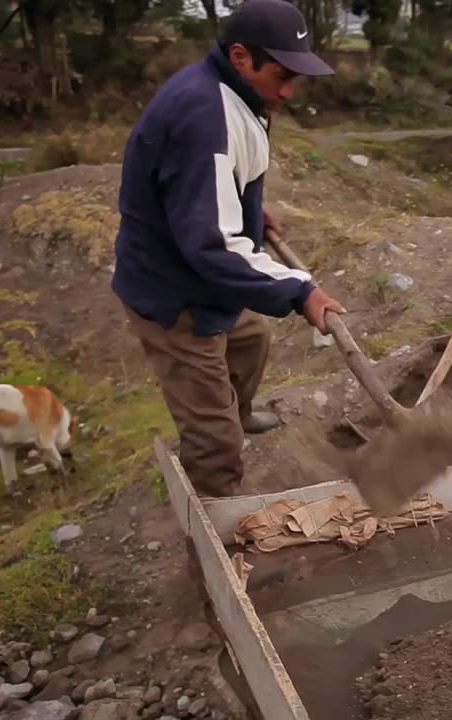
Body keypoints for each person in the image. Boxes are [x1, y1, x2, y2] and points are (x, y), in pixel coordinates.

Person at [112, 0, 346, 497]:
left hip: (197, 271)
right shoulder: (202, 116)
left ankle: (236, 414)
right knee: (214, 437)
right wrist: (301, 292)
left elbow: (207, 184)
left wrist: (245, 207)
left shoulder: (235, 92)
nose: (288, 91)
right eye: (281, 75)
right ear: (241, 57)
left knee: (249, 339)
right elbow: (212, 246)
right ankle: (221, 524)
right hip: (173, 292)